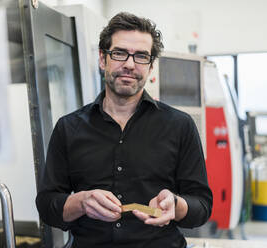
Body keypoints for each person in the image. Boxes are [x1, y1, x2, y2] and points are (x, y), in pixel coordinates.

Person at [36, 12, 213, 248]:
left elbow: (202, 206)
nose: (129, 64)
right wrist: (81, 202)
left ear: (150, 67)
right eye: (119, 53)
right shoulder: (69, 128)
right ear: (103, 59)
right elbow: (47, 206)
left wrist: (176, 204)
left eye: (141, 56)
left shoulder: (180, 125)